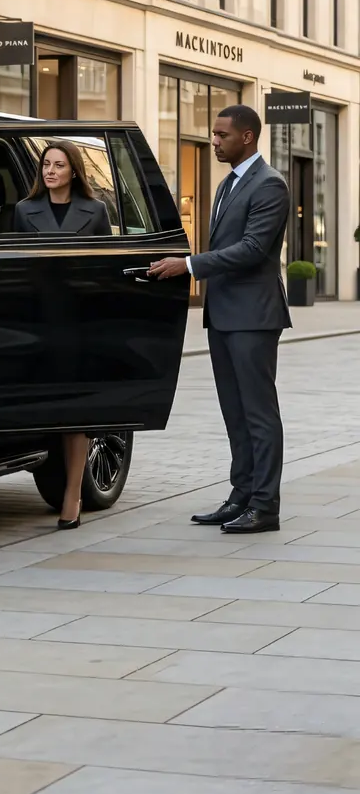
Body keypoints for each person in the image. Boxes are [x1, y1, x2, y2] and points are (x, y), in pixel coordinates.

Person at [149, 105, 291, 534]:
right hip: (224, 314)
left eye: (221, 135)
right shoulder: (227, 184)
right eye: (213, 134)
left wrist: (189, 265)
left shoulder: (270, 184)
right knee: (234, 411)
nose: (213, 141)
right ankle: (241, 496)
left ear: (247, 137)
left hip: (254, 316)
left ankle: (265, 506)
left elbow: (252, 249)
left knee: (258, 413)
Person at [14, 142, 113, 531]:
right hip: (39, 322)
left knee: (75, 414)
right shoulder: (24, 211)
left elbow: (106, 271)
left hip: (78, 324)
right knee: (44, 407)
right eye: (46, 165)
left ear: (74, 171)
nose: (50, 171)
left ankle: (72, 493)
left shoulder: (96, 211)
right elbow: (17, 270)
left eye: (58, 165)